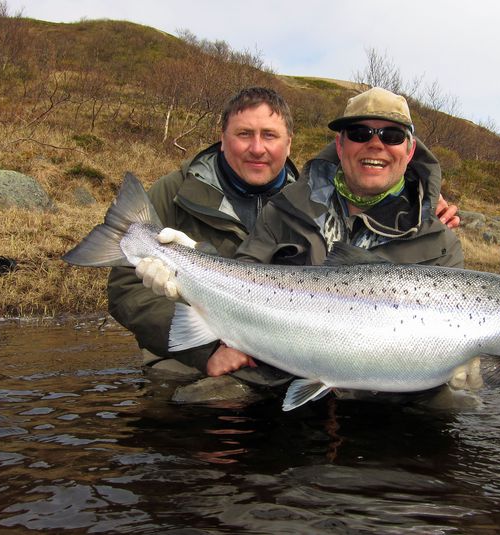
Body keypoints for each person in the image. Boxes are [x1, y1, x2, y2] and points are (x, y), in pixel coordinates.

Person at [108, 86, 462, 392]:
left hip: (318, 364)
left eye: (392, 136)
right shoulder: (287, 206)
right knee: (200, 408)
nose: (257, 148)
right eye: (244, 134)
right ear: (340, 146)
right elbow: (128, 287)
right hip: (226, 348)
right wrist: (206, 341)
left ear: (410, 149)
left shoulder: (435, 234)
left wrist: (427, 206)